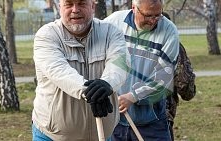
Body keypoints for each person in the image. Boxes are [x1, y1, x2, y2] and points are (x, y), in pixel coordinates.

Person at [31, 0, 129, 140]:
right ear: (60, 8)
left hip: (101, 135)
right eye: (69, 4)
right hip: (52, 136)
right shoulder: (46, 35)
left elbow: (120, 63)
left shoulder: (111, 32)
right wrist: (93, 92)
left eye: (81, 3)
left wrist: (107, 84)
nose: (75, 9)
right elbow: (59, 72)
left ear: (93, 6)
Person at [104, 0, 179, 140]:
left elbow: (163, 78)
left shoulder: (169, 31)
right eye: (148, 15)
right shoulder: (114, 22)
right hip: (114, 120)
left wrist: (133, 96)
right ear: (134, 8)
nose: (153, 21)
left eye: (158, 15)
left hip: (151, 122)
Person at [161, 11, 196, 141]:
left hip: (124, 115)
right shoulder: (173, 45)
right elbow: (185, 83)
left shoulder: (128, 39)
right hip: (161, 116)